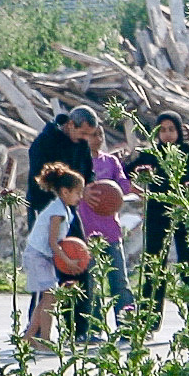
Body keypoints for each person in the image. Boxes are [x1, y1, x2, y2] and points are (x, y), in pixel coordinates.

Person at [126, 112, 189, 326]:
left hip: (184, 211)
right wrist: (142, 193)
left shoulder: (187, 152)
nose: (167, 134)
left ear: (179, 131)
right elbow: (124, 175)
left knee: (188, 265)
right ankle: (148, 319)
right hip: (157, 214)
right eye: (162, 130)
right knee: (154, 264)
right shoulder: (151, 155)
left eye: (171, 129)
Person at [75, 128, 137, 326]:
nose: (98, 139)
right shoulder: (76, 162)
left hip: (110, 231)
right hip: (86, 233)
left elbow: (123, 186)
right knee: (91, 283)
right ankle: (93, 327)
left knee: (119, 279)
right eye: (93, 135)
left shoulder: (110, 161)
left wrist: (144, 191)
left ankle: (126, 324)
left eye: (100, 135)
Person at [22, 161, 89, 342]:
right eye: (78, 193)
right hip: (37, 256)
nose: (80, 197)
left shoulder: (64, 209)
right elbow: (53, 242)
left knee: (48, 299)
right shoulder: (57, 212)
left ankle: (29, 338)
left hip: (43, 256)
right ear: (65, 192)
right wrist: (68, 262)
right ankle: (43, 339)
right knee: (49, 298)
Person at [24, 106, 101, 219]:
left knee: (77, 237)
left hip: (69, 208)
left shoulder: (82, 144)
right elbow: (41, 178)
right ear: (70, 124)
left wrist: (89, 186)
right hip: (44, 207)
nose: (86, 138)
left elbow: (88, 172)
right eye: (83, 133)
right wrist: (76, 188)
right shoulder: (44, 143)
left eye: (89, 135)